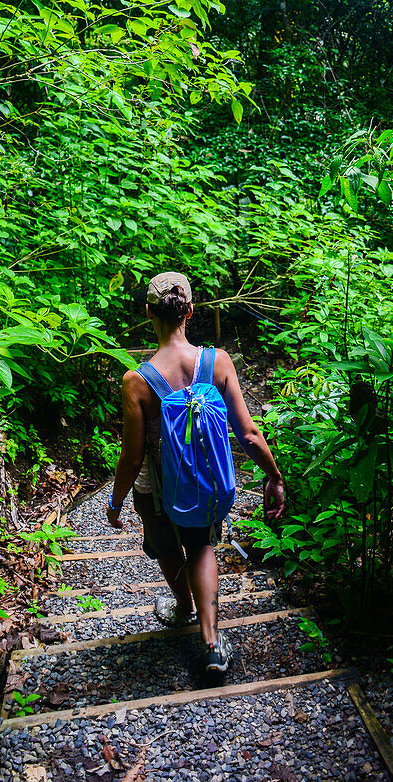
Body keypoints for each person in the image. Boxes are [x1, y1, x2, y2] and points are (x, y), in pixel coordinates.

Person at [106, 270, 285, 677]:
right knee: (201, 548)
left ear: (149, 313)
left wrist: (116, 501)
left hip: (157, 488)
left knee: (167, 548)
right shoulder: (217, 361)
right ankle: (210, 644)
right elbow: (249, 434)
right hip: (204, 483)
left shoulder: (136, 381)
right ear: (190, 311)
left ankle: (183, 607)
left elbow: (132, 458)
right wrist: (273, 477)